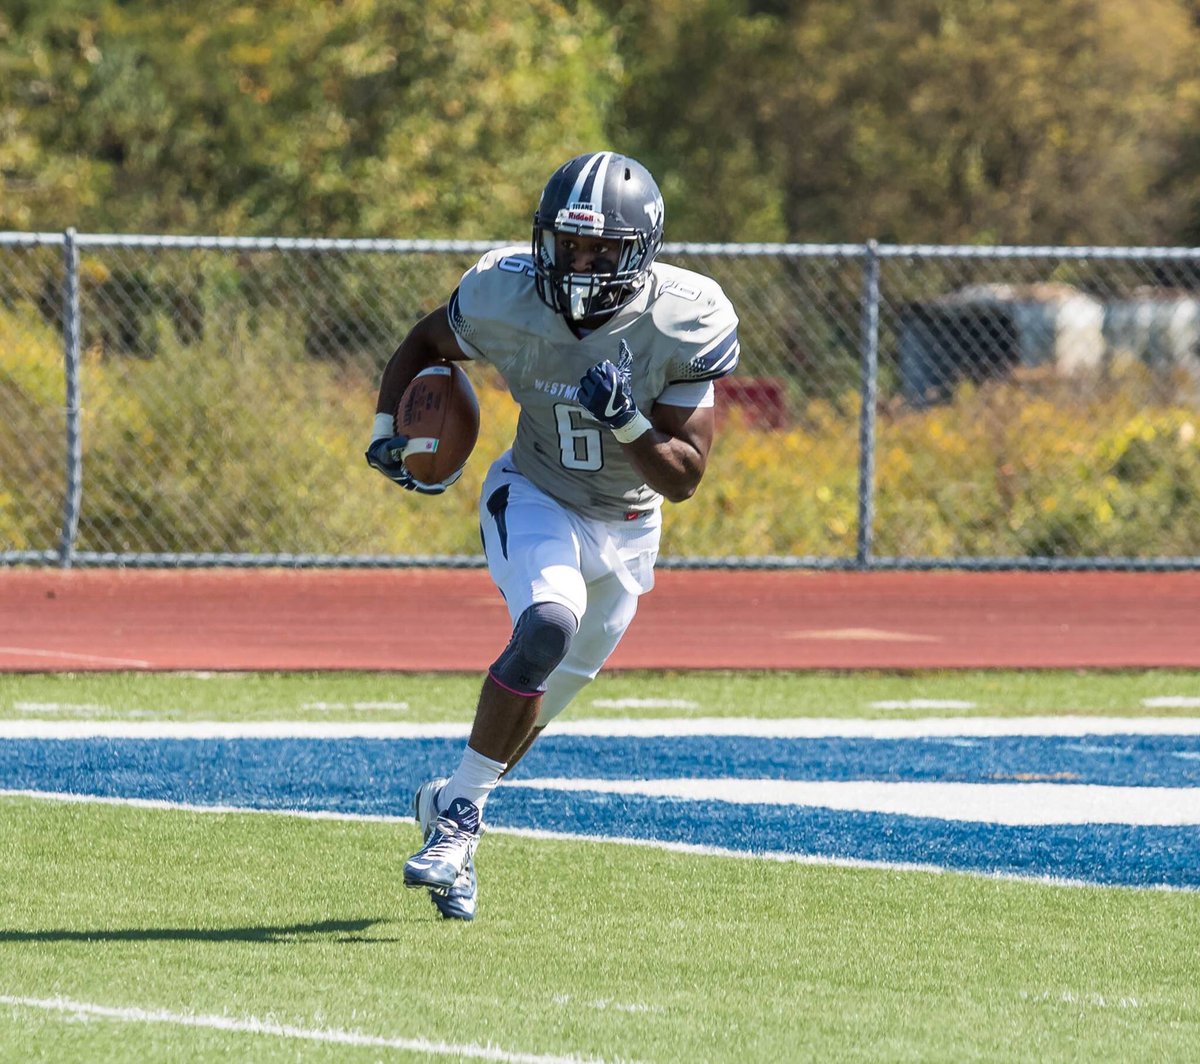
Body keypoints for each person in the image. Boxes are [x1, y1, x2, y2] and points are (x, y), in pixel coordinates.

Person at [365, 150, 739, 920]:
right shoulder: (505, 292)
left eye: (601, 249)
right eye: (569, 244)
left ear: (639, 253)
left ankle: (450, 801)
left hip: (630, 524)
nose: (579, 261)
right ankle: (460, 826)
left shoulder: (683, 315)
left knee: (533, 707)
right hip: (534, 491)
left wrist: (625, 417)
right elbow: (425, 343)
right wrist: (385, 428)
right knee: (545, 624)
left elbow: (683, 477)